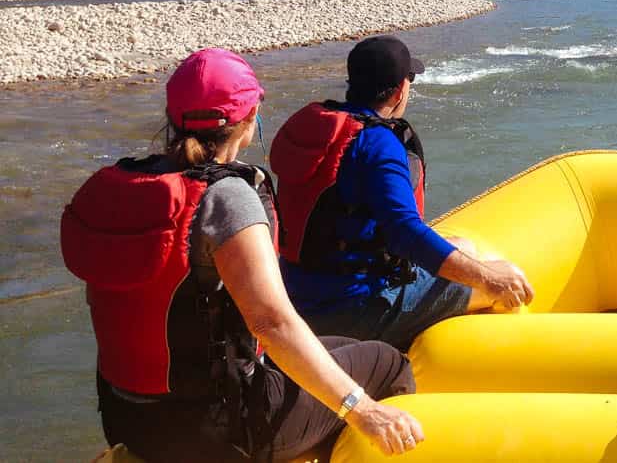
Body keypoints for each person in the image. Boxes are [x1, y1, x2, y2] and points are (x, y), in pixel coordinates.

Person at [61, 48, 422, 462]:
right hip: (221, 428)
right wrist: (364, 411)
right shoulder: (228, 198)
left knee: (347, 347)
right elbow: (271, 322)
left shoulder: (125, 188)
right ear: (248, 120)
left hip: (129, 418)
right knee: (386, 362)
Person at [271, 35, 534, 350]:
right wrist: (490, 279)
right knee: (502, 274)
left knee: (465, 245)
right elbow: (405, 234)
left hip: (297, 293)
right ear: (398, 91)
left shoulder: (324, 128)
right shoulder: (377, 144)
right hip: (350, 309)